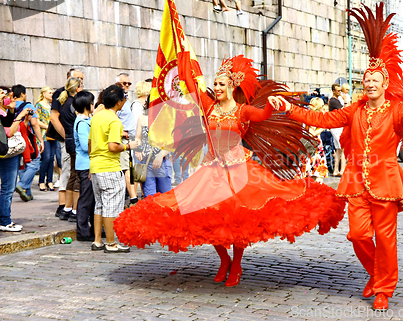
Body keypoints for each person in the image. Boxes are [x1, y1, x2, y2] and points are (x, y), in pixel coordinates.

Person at [272, 4, 403, 310]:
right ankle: (377, 273)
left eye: (375, 79)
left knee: (386, 238)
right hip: (355, 181)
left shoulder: (398, 111)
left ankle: (384, 289)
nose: (370, 83)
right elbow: (323, 120)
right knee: (358, 234)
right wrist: (288, 109)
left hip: (385, 180)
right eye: (366, 80)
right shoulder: (354, 109)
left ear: (385, 85)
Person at [114, 55, 346, 286]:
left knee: (239, 219)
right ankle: (225, 260)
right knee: (205, 217)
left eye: (221, 84)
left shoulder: (243, 111)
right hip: (211, 171)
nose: (216, 88)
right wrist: (181, 54)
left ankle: (236, 264)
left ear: (232, 86)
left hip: (239, 170)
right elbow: (190, 82)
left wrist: (273, 105)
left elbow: (263, 115)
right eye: (215, 84)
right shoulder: (209, 106)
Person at [89, 85, 139, 253]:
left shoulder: (97, 116)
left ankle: (98, 241)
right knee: (111, 206)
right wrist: (128, 146)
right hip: (109, 166)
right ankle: (111, 243)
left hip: (96, 165)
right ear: (119, 103)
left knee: (100, 205)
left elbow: (90, 143)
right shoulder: (114, 120)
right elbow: (112, 146)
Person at [51, 68, 84, 216]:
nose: (81, 81)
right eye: (78, 78)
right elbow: (54, 117)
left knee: (71, 173)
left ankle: (67, 207)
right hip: (68, 139)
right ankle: (65, 206)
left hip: (70, 139)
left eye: (82, 78)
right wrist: (68, 137)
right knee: (70, 173)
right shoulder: (62, 95)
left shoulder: (73, 98)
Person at [74, 91, 103, 241]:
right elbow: (86, 146)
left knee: (93, 198)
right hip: (86, 165)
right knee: (86, 198)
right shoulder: (82, 123)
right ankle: (83, 230)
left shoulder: (86, 121)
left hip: (90, 164)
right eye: (92, 104)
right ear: (87, 106)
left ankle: (94, 228)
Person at [0, 90, 31, 232]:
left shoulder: (4, 112)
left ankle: (5, 219)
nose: (6, 96)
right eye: (2, 94)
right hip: (5, 154)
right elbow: (9, 132)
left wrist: (12, 110)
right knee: (7, 188)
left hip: (8, 153)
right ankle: (5, 221)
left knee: (8, 187)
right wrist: (20, 115)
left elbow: (7, 123)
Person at [135, 95, 172, 197]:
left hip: (162, 162)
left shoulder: (168, 119)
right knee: (149, 198)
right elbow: (138, 138)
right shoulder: (142, 118)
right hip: (146, 162)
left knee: (165, 197)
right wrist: (138, 149)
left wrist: (161, 155)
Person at [12, 84, 44, 201]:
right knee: (34, 163)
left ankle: (28, 193)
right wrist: (41, 140)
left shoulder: (10, 106)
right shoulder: (28, 106)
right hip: (27, 139)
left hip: (13, 139)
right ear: (22, 94)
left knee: (22, 165)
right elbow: (35, 124)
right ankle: (21, 185)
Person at [115, 72, 139, 207]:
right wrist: (121, 131)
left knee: (131, 168)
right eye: (124, 83)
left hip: (130, 137)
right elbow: (113, 114)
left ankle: (132, 196)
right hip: (124, 138)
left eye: (129, 83)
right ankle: (133, 198)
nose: (127, 86)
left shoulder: (125, 97)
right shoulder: (118, 98)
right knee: (127, 169)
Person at [295, 97, 329, 183]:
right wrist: (324, 127)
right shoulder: (314, 117)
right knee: (317, 174)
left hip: (309, 146)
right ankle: (317, 192)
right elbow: (312, 133)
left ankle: (311, 192)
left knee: (311, 172)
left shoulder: (308, 115)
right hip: (314, 147)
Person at [36, 86, 57, 192]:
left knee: (52, 158)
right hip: (44, 134)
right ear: (43, 93)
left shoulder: (52, 106)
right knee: (46, 157)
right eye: (49, 93)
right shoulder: (39, 105)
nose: (51, 95)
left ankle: (50, 180)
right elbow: (36, 121)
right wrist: (47, 126)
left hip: (53, 135)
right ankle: (41, 181)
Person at [329, 83, 346, 176]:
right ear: (333, 91)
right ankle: (342, 170)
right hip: (336, 127)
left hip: (336, 126)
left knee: (338, 149)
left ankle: (336, 170)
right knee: (343, 149)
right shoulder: (333, 101)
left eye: (340, 90)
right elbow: (345, 111)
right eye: (338, 90)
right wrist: (346, 101)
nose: (340, 92)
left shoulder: (336, 100)